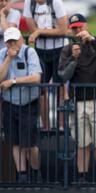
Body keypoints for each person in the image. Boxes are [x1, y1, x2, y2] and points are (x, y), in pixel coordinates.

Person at [58, 14, 96, 183]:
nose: (78, 31)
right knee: (82, 142)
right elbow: (63, 76)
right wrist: (73, 59)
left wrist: (92, 40)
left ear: (86, 26)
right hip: (79, 101)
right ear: (70, 30)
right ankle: (82, 177)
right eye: (74, 28)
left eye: (80, 27)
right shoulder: (67, 50)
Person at [0, 27, 42, 183]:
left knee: (30, 144)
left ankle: (36, 172)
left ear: (21, 39)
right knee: (15, 142)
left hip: (28, 104)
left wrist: (14, 81)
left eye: (15, 40)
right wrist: (8, 59)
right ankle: (22, 175)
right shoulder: (3, 55)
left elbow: (36, 78)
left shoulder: (29, 53)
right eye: (9, 41)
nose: (12, 44)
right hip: (10, 104)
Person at [23, 0, 68, 132]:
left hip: (60, 48)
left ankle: (61, 126)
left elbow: (63, 29)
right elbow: (32, 30)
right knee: (41, 88)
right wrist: (41, 32)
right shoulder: (29, 3)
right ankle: (46, 126)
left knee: (60, 87)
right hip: (40, 50)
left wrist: (39, 32)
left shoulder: (56, 2)